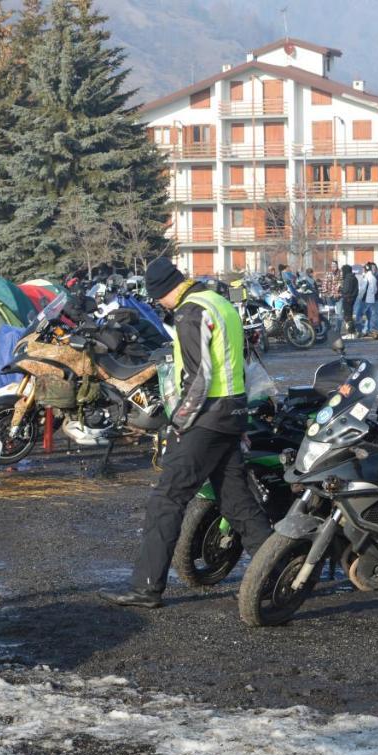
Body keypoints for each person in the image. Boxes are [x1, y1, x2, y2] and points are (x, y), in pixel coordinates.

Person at [98, 257, 271, 609]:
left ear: (166, 290)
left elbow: (199, 379)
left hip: (206, 419)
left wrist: (179, 422)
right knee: (236, 502)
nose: (159, 304)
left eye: (158, 297)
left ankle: (146, 587)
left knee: (167, 499)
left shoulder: (189, 313)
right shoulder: (219, 302)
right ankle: (277, 567)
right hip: (233, 411)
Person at [359, 262, 378, 335]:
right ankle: (369, 329)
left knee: (360, 314)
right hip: (372, 299)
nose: (373, 270)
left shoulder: (376, 276)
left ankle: (366, 330)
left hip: (372, 299)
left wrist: (360, 297)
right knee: (371, 315)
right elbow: (375, 289)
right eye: (372, 268)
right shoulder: (374, 276)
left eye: (374, 268)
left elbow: (363, 289)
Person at [339, 264, 358, 338]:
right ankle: (352, 333)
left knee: (347, 317)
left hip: (347, 299)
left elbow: (346, 290)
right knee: (350, 316)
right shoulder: (354, 278)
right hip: (352, 299)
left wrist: (340, 288)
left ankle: (350, 333)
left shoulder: (347, 278)